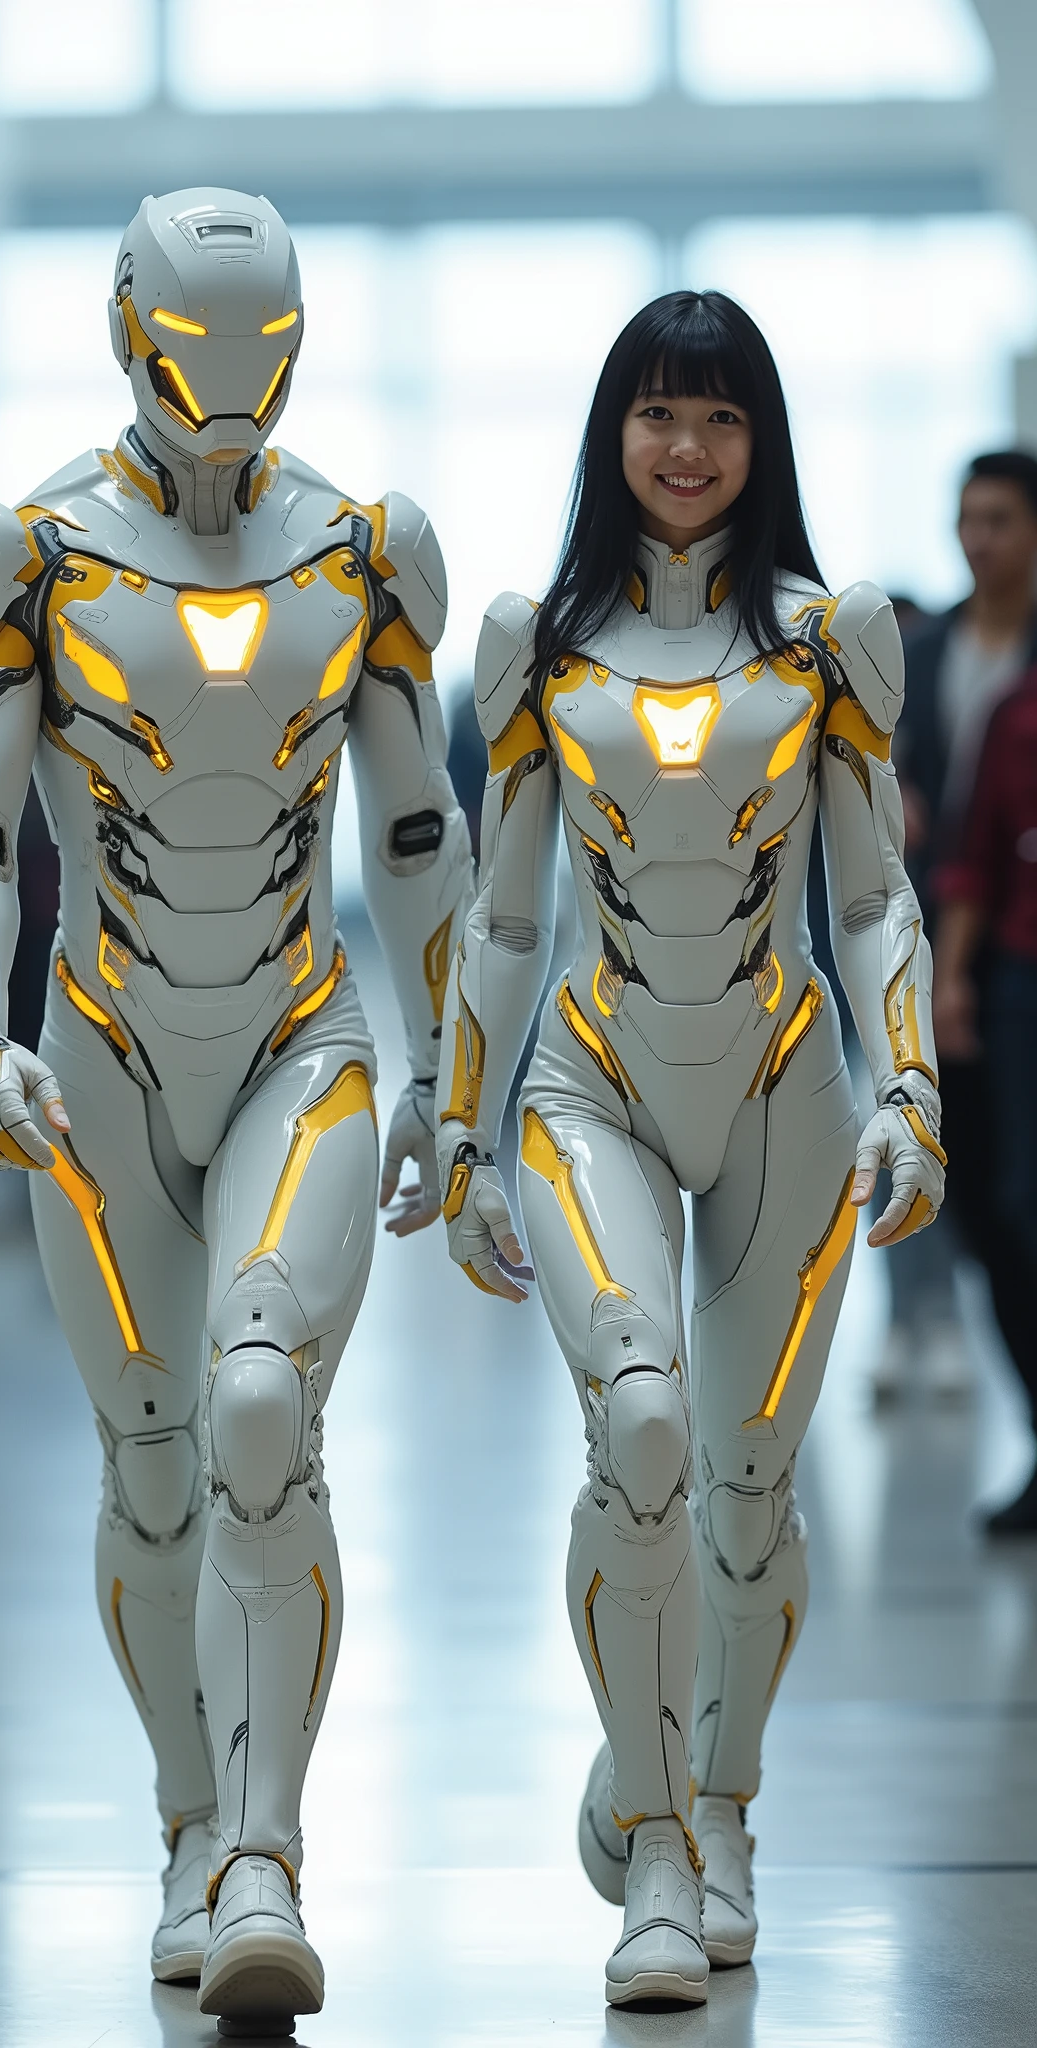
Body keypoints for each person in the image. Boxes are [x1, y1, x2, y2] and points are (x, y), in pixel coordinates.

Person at [0, 188, 471, 2032]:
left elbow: (409, 833)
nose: (226, 385)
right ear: (128, 326)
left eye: (260, 342)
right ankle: (181, 1822)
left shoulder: (366, 550)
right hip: (94, 1057)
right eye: (194, 340)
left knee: (253, 1400)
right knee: (151, 1459)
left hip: (303, 1041)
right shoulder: (34, 551)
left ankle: (261, 1850)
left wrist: (452, 1080)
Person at [435, 291, 945, 2006]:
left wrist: (905, 1087)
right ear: (611, 429)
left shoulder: (825, 637)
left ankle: (719, 1807)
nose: (684, 448)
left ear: (761, 441)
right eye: (657, 412)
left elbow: (867, 891)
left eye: (719, 418)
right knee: (638, 1424)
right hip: (584, 1084)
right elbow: (499, 917)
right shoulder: (535, 643)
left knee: (743, 1489)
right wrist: (461, 1129)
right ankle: (648, 1844)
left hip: (787, 1086)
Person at [885, 452, 1037, 1407]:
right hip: (934, 934)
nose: (978, 539)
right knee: (944, 1158)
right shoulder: (928, 648)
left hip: (1011, 939)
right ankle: (930, 1327)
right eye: (966, 519)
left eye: (1000, 520)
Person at [933, 661, 1037, 1531]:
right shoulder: (1013, 709)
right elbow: (973, 854)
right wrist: (952, 976)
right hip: (1022, 982)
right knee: (1011, 1211)